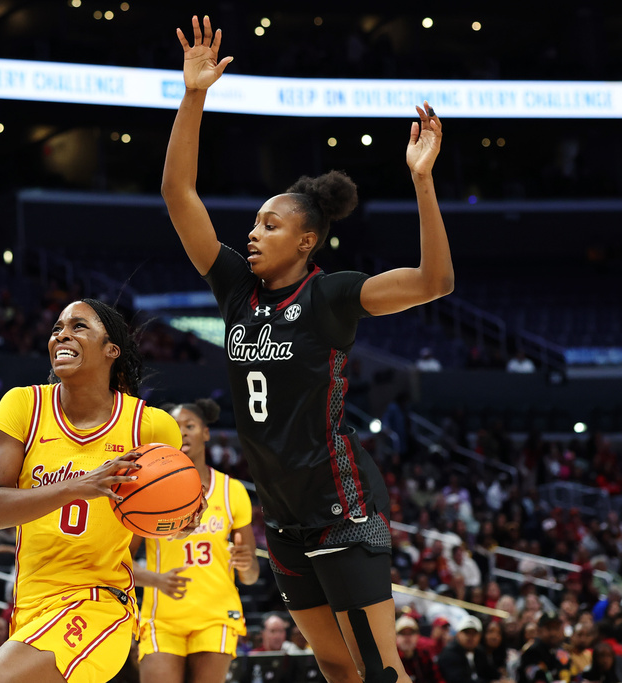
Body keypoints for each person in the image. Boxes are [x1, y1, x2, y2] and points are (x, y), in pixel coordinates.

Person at [160, 15, 454, 683]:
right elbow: (178, 195)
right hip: (283, 510)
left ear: (307, 241)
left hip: (340, 499)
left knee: (380, 667)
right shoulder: (236, 288)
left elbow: (437, 282)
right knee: (332, 663)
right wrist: (194, 95)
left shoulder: (332, 296)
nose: (253, 234)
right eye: (254, 223)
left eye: (271, 224)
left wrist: (422, 181)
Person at [0, 298, 185, 683]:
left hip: (99, 604)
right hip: (29, 608)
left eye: (78, 326)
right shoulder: (24, 405)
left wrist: (183, 515)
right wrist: (80, 486)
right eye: (57, 328)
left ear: (111, 350)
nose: (62, 335)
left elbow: (171, 514)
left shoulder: (150, 426)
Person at [131, 397, 258, 683]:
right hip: (162, 616)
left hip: (216, 615)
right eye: (176, 427)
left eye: (190, 425)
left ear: (205, 433)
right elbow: (119, 560)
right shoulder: (148, 492)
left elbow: (249, 577)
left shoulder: (232, 490)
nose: (184, 431)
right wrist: (156, 580)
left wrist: (247, 564)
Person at [436, 615, 498, 683]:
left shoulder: (480, 651)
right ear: (458, 634)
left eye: (474, 633)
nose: (470, 637)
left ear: (480, 636)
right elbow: (458, 680)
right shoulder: (448, 653)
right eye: (466, 632)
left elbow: (490, 672)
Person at [516, 611, 568, 683]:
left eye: (556, 628)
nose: (553, 633)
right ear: (539, 630)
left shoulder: (563, 649)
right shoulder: (532, 651)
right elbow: (533, 678)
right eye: (549, 628)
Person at [394, 616, 443, 683]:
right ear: (396, 636)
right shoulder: (391, 659)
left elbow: (437, 678)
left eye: (411, 633)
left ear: (417, 636)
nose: (407, 637)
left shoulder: (424, 655)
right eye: (403, 633)